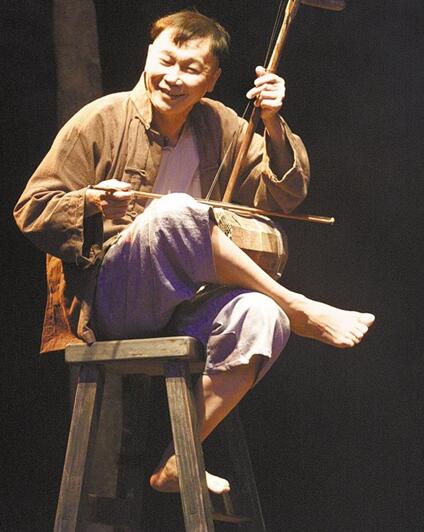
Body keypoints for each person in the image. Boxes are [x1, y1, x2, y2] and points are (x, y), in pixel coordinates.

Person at [14, 10, 374, 494]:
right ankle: (300, 306)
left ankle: (177, 459)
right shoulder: (102, 118)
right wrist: (92, 201)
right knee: (176, 211)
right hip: (115, 301)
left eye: (191, 68)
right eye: (166, 60)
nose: (173, 77)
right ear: (149, 55)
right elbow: (32, 209)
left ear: (213, 78)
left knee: (263, 317)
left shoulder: (220, 124)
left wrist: (272, 124)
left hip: (188, 304)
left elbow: (284, 196)